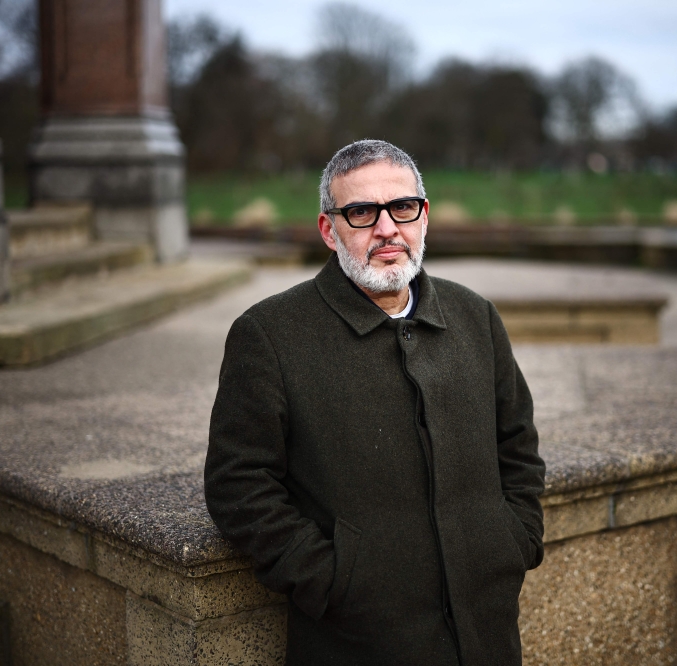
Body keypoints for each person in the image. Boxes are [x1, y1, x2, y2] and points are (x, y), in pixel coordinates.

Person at [205, 139, 545, 665]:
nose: (387, 228)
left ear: (423, 217)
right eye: (361, 212)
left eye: (402, 207)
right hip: (359, 642)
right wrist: (333, 580)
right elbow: (238, 483)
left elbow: (518, 445)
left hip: (487, 633)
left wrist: (514, 540)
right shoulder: (268, 334)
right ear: (328, 229)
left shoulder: (475, 316)